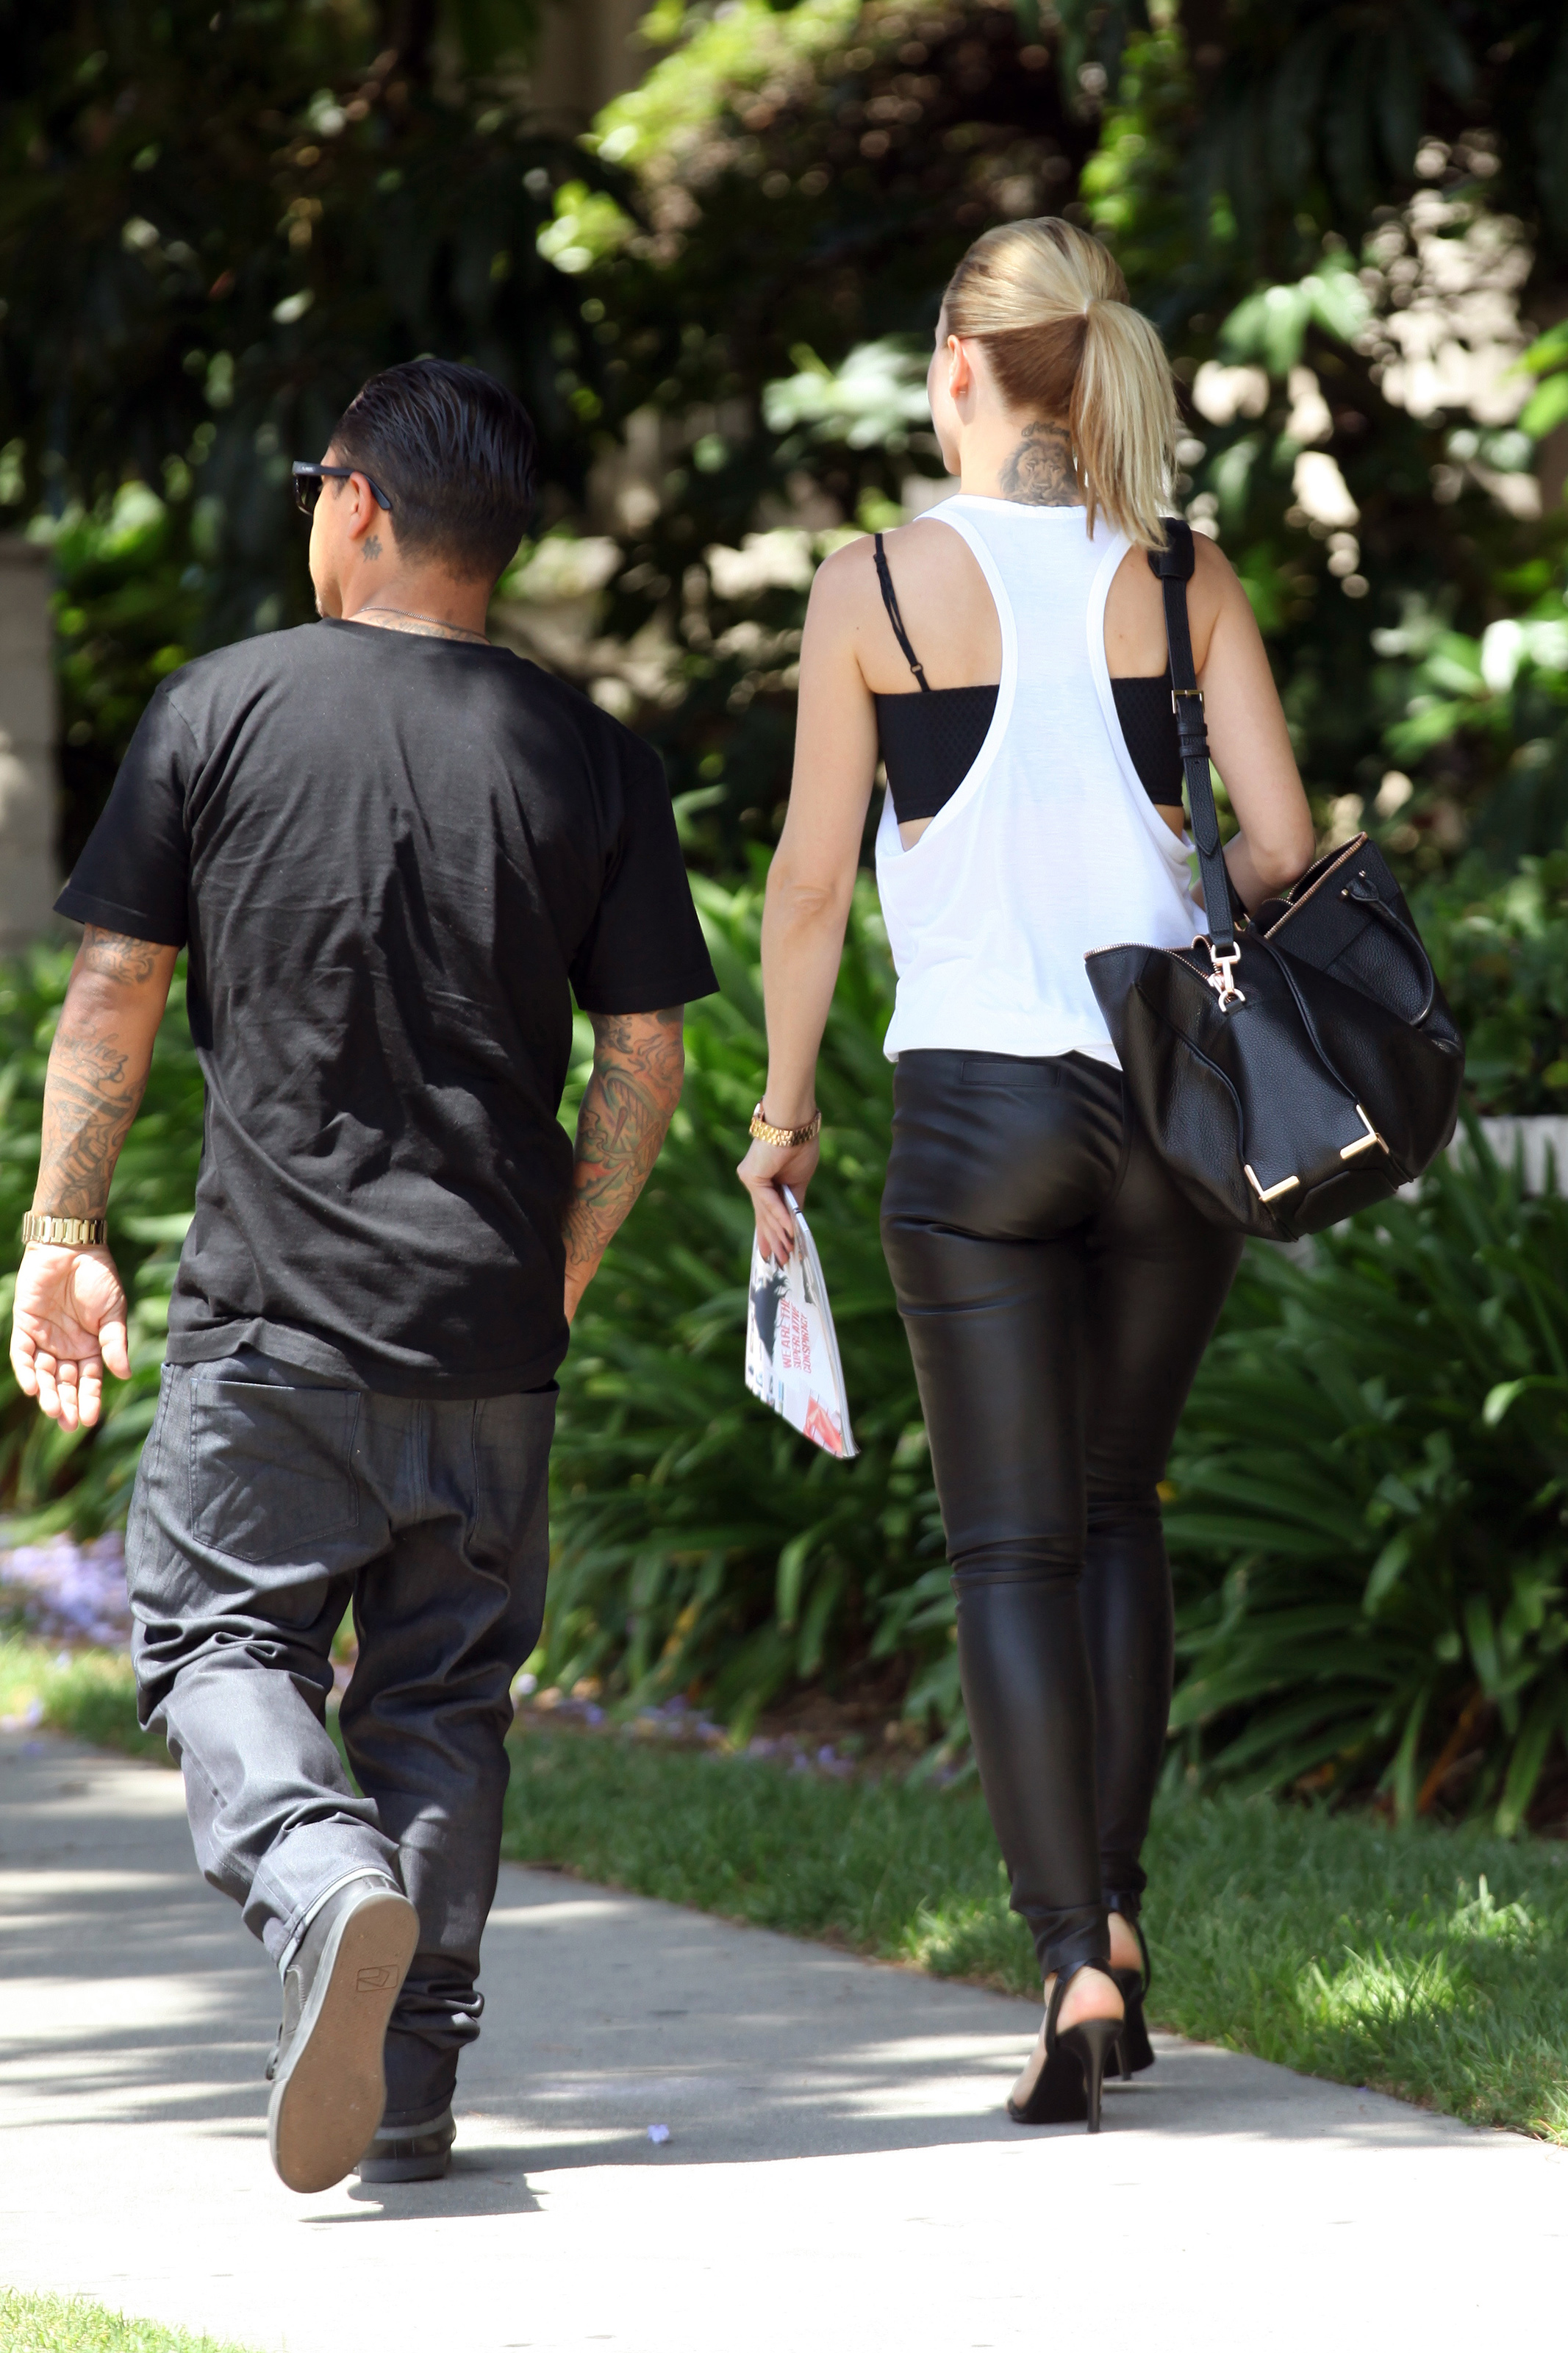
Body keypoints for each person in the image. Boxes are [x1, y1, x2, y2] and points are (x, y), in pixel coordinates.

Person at [10, 357, 717, 2192]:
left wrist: (60, 1235)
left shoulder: (218, 708)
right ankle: (406, 2087)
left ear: (357, 504)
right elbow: (645, 1053)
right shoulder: (590, 753)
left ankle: (319, 1876)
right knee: (442, 1690)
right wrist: (559, 1269)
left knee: (216, 1639)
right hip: (488, 1331)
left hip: (271, 1324)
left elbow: (117, 992)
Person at [737, 219, 1314, 2133]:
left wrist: (782, 1113)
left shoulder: (872, 589)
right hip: (1169, 1110)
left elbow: (807, 886)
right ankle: (1117, 1916)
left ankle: (1063, 1952)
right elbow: (1275, 850)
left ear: (957, 368)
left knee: (1007, 1545)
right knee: (1114, 1506)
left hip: (975, 1109)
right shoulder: (1183, 577)